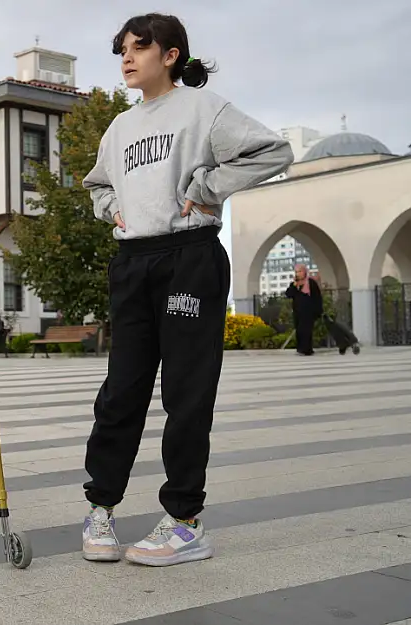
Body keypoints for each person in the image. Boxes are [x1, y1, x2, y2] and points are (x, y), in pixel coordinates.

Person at [80, 13, 293, 567]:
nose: (126, 58)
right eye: (121, 50)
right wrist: (115, 211)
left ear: (170, 54)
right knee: (122, 389)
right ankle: (100, 506)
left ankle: (184, 520)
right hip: (133, 262)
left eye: (138, 48)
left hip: (189, 258)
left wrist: (206, 185)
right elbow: (98, 186)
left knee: (186, 390)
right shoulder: (119, 129)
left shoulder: (204, 108)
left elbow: (273, 151)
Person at [285, 264, 323, 356]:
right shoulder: (294, 284)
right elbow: (288, 294)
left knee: (306, 330)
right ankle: (300, 349)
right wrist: (294, 285)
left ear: (305, 272)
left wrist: (318, 310)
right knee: (299, 330)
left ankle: (307, 349)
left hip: (308, 312)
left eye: (300, 271)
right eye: (296, 272)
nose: (298, 274)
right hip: (298, 312)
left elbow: (317, 297)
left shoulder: (310, 283)